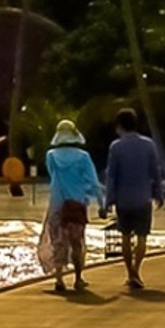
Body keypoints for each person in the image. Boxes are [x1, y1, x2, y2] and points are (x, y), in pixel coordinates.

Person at [103, 107, 165, 291]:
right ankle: (136, 271)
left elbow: (111, 176)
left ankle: (130, 272)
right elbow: (156, 172)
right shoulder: (149, 145)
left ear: (120, 126)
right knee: (141, 237)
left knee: (124, 236)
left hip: (123, 200)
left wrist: (109, 200)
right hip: (143, 198)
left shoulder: (116, 147)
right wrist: (159, 195)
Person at [40, 118, 102, 293]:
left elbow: (53, 176)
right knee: (77, 243)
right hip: (77, 204)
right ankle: (78, 278)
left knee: (58, 242)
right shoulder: (83, 157)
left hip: (57, 204)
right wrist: (102, 203)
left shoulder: (50, 156)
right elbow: (93, 182)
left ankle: (59, 278)